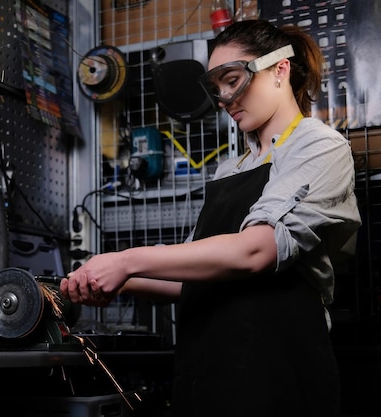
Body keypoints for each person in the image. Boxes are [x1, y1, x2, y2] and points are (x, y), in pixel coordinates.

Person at [60, 19, 361, 417]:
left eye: (232, 80)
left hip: (278, 377)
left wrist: (126, 260)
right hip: (208, 376)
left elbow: (256, 250)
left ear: (279, 70)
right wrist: (121, 282)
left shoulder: (319, 146)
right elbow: (198, 277)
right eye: (216, 88)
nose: (224, 98)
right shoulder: (229, 170)